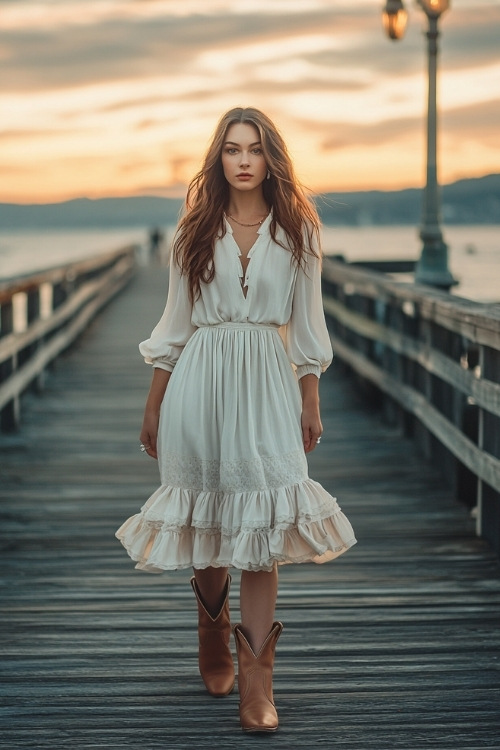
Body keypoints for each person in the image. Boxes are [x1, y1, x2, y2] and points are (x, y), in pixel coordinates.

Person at [116, 107, 356, 733]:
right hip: (200, 381)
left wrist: (311, 397)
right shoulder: (194, 231)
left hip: (269, 386)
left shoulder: (299, 232)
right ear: (218, 159)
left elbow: (308, 328)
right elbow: (173, 326)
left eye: (254, 148)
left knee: (261, 524)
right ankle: (211, 630)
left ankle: (258, 685)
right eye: (231, 149)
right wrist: (153, 404)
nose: (243, 160)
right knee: (208, 513)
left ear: (271, 157)